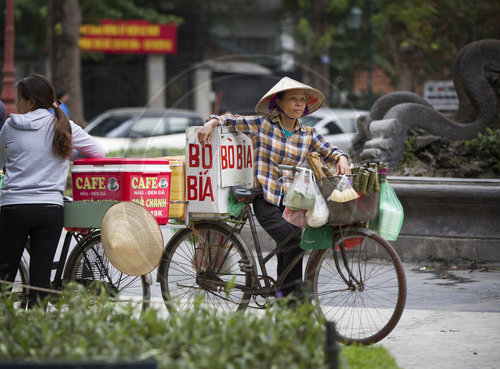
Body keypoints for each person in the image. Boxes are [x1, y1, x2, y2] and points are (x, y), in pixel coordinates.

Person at [198, 76, 351, 300]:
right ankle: (290, 302)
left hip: (294, 204)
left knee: (292, 249)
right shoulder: (263, 125)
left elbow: (331, 150)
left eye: (302, 100)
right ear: (278, 103)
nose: (299, 104)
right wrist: (211, 122)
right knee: (294, 242)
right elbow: (231, 119)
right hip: (266, 200)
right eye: (293, 99)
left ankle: (286, 302)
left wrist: (342, 159)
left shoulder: (308, 134)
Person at [0, 74, 104, 307]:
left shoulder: (10, 125)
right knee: (40, 277)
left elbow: (0, 162)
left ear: (31, 102)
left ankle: (6, 329)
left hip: (14, 208)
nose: (17, 104)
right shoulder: (63, 125)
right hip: (49, 209)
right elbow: (98, 153)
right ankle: (38, 331)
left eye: (20, 99)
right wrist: (66, 155)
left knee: (4, 276)